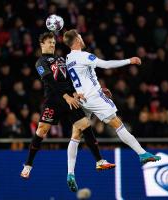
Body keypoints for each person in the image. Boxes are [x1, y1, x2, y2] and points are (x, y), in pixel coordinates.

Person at [20, 32, 115, 192]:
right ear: (42, 44)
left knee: (85, 126)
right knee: (41, 131)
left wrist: (81, 92)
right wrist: (66, 96)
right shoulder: (40, 62)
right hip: (54, 101)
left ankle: (99, 161)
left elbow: (72, 79)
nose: (52, 44)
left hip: (70, 99)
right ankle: (28, 165)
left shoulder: (61, 59)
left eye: (53, 42)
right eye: (49, 42)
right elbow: (50, 81)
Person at [63, 29, 161, 164]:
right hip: (94, 98)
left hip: (82, 99)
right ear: (77, 40)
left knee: (76, 134)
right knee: (118, 124)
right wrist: (129, 61)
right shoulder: (84, 56)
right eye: (80, 36)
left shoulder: (68, 59)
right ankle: (142, 153)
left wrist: (98, 88)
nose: (82, 38)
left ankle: (70, 172)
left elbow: (81, 78)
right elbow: (106, 64)